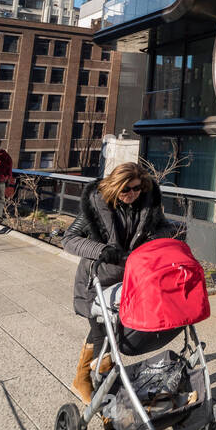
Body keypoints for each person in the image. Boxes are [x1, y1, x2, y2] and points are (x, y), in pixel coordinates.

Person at [62, 162, 178, 404]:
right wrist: (102, 250)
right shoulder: (97, 205)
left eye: (136, 189)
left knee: (109, 331)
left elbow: (166, 228)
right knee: (102, 334)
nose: (131, 195)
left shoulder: (147, 205)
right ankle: (96, 388)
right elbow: (69, 239)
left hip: (130, 280)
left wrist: (154, 240)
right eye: (125, 190)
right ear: (114, 188)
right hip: (98, 279)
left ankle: (87, 379)